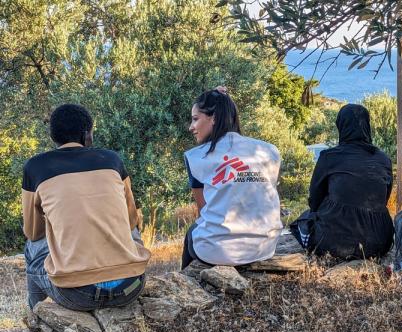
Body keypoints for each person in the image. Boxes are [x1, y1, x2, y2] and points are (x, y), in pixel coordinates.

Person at [22, 104, 150, 311]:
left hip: (76, 293)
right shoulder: (112, 160)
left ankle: (36, 315)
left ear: (54, 136)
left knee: (31, 248)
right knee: (132, 227)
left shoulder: (36, 167)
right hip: (131, 287)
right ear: (87, 134)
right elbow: (132, 221)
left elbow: (33, 232)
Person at [181, 88, 282, 269]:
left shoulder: (196, 157)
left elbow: (204, 211)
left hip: (218, 251)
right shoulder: (269, 150)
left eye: (195, 119)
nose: (191, 127)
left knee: (192, 233)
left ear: (214, 118)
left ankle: (187, 283)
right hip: (265, 246)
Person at [291, 104, 394, 260]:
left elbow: (314, 201)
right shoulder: (383, 159)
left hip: (335, 243)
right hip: (380, 242)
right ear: (367, 126)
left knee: (303, 220)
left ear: (341, 126)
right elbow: (384, 199)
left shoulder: (329, 157)